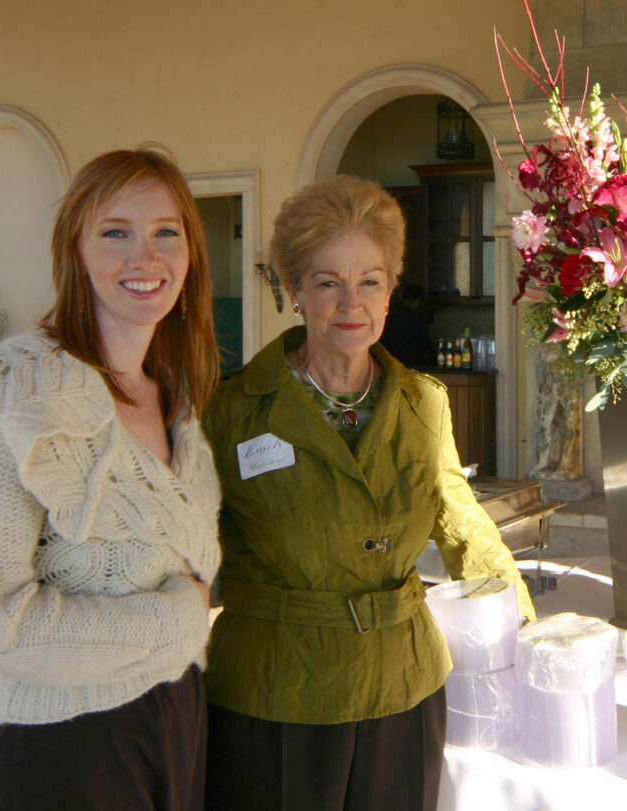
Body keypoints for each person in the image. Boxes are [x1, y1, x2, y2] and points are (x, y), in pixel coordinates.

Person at [202, 174, 534, 811]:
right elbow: (187, 548)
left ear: (390, 293)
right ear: (295, 291)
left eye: (369, 281)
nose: (350, 303)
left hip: (402, 685)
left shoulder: (423, 403)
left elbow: (460, 520)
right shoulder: (231, 412)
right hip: (277, 691)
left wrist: (521, 622)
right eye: (328, 282)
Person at [0, 146, 223, 811]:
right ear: (75, 250)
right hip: (60, 757)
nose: (143, 257)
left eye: (165, 232)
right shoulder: (18, 397)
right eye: (114, 231)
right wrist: (178, 620)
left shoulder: (177, 401)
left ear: (190, 255)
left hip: (172, 728)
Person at [379, 281, 432, 368]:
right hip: (409, 367)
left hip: (385, 365)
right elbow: (425, 349)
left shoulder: (387, 314)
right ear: (417, 302)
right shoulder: (417, 319)